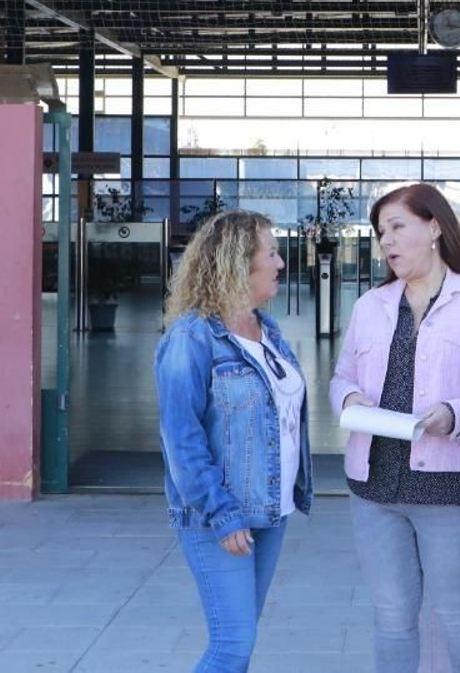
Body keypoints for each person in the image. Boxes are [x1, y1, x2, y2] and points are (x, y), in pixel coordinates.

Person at [330, 183, 460, 673]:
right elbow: (342, 377)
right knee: (392, 617)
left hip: (453, 487)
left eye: (397, 228)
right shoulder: (369, 305)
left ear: (434, 227)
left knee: (459, 615)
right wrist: (349, 398)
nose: (386, 242)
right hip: (375, 487)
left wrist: (455, 414)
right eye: (380, 233)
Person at [156, 209, 312, 673]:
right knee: (231, 644)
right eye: (272, 253)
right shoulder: (190, 338)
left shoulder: (269, 332)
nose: (280, 263)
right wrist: (221, 514)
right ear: (237, 263)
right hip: (219, 515)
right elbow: (181, 439)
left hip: (270, 509)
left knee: (241, 642)